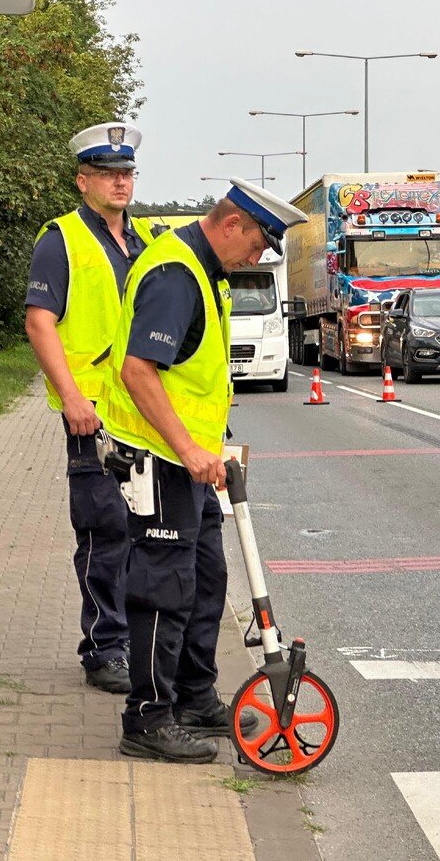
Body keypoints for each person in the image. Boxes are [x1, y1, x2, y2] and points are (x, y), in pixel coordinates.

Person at [98, 178, 308, 763]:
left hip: (190, 467)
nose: (260, 258)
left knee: (207, 579)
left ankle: (193, 695)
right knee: (163, 590)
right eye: (261, 242)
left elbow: (194, 376)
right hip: (162, 462)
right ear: (233, 223)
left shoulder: (203, 271)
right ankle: (147, 718)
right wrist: (189, 448)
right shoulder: (176, 275)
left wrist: (212, 446)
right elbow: (139, 370)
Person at [24, 122, 144, 693]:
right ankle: (104, 649)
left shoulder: (143, 242)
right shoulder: (61, 239)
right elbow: (39, 322)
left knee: (148, 532)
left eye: (126, 173)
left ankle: (139, 644)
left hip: (142, 413)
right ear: (83, 180)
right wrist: (71, 396)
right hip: (92, 413)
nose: (120, 182)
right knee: (105, 530)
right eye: (107, 174)